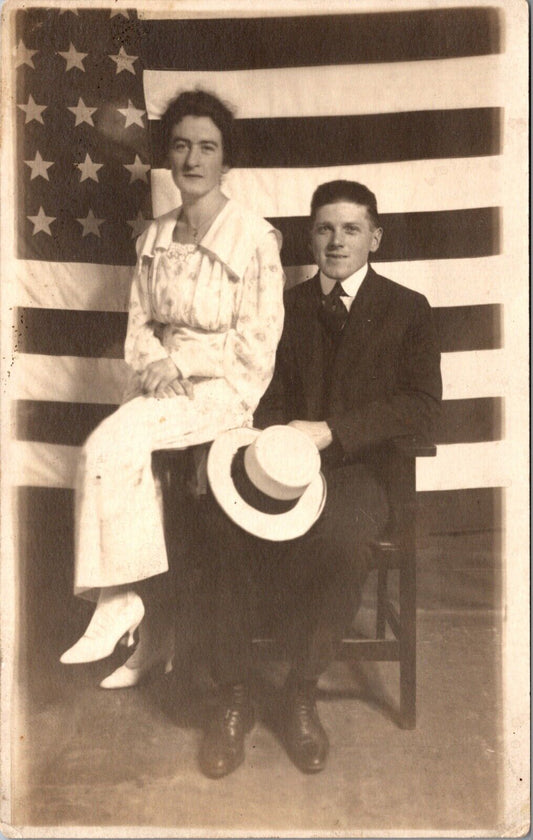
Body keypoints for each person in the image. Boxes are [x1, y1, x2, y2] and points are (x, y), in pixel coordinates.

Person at [197, 179, 442, 778]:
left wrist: (336, 430)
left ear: (374, 238)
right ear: (311, 237)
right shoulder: (284, 306)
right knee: (215, 524)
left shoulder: (408, 309)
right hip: (282, 464)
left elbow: (421, 407)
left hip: (361, 471)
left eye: (351, 228)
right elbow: (261, 396)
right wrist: (273, 448)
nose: (337, 241)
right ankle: (232, 695)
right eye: (325, 229)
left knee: (338, 537)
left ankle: (300, 690)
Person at [59, 89, 285, 689]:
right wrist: (157, 365)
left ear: (225, 160)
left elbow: (259, 345)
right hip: (162, 386)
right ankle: (155, 634)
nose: (192, 159)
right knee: (125, 462)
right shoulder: (154, 238)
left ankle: (121, 601)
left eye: (207, 147)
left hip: (223, 392)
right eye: (181, 145)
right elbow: (139, 328)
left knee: (109, 448)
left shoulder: (256, 240)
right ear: (169, 155)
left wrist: (192, 377)